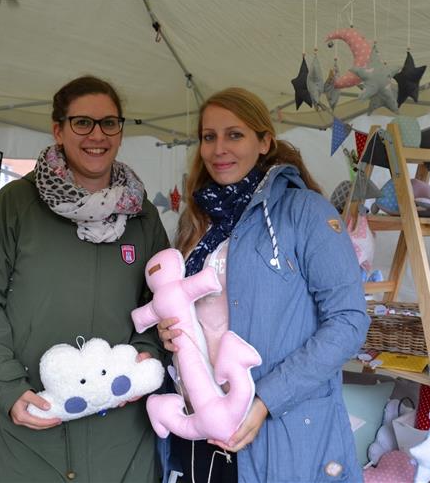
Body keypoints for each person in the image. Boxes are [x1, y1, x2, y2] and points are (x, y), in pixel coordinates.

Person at [0, 75, 170, 482]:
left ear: (121, 131)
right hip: (35, 422)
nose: (97, 135)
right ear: (58, 129)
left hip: (120, 427)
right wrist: (7, 389)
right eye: (82, 122)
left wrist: (144, 359)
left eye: (109, 123)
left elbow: (158, 301)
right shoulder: (16, 205)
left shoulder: (143, 216)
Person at [157, 87, 370, 483]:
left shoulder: (304, 212)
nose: (219, 148)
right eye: (209, 136)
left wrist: (264, 401)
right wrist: (166, 330)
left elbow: (348, 322)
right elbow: (189, 306)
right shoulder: (197, 220)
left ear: (264, 142)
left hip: (278, 427)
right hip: (199, 425)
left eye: (234, 134)